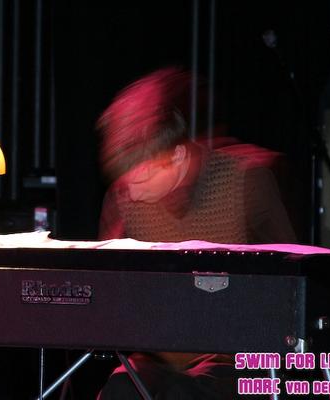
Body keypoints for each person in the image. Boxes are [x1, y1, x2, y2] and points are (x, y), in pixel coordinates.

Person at [95, 67, 297, 399]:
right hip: (159, 353)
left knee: (185, 392)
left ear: (177, 155)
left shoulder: (247, 182)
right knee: (120, 388)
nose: (132, 193)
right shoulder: (121, 199)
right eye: (126, 182)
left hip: (233, 352)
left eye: (143, 179)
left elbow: (291, 280)